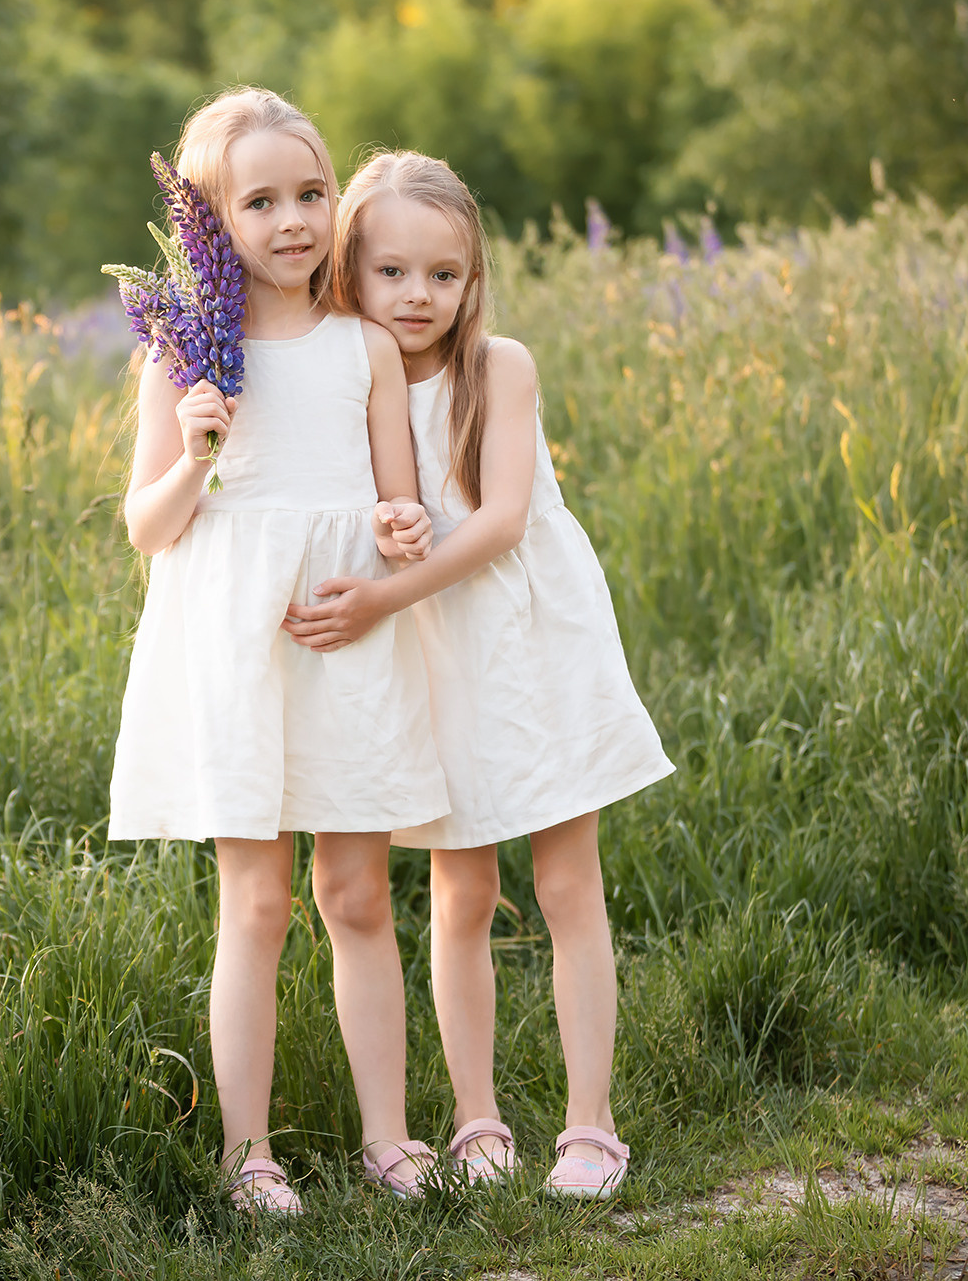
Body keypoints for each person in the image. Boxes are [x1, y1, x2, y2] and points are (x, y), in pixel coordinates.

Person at [283, 150, 676, 1201]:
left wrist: (378, 596)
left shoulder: (497, 367)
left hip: (532, 641)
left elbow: (500, 522)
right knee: (461, 890)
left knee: (563, 881)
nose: (419, 296)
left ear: (473, 279)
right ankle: (476, 1119)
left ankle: (590, 1127)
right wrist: (387, 526)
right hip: (436, 655)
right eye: (393, 273)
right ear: (350, 272)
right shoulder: (345, 377)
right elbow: (359, 502)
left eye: (443, 275)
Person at [109, 93, 448, 1213]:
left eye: (310, 194)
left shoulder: (364, 347)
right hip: (235, 646)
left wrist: (398, 542)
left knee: (354, 892)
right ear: (211, 221)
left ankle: (388, 1138)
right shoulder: (182, 355)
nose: (293, 220)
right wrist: (196, 447)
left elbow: (397, 505)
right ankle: (247, 1153)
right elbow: (149, 528)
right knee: (254, 904)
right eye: (258, 201)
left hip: (342, 633)